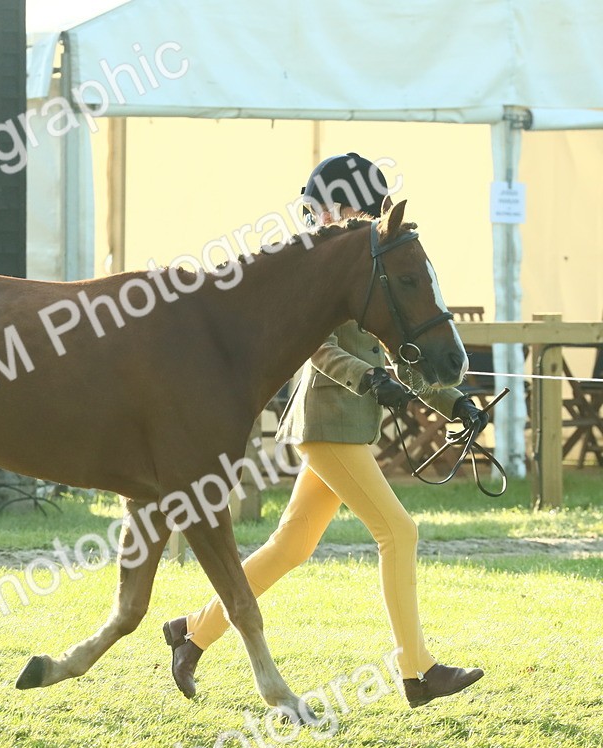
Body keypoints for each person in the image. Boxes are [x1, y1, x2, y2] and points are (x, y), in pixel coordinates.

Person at [162, 153, 488, 709]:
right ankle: (418, 671)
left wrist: (454, 398)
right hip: (327, 420)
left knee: (290, 546)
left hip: (347, 424)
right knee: (398, 532)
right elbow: (316, 348)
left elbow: (399, 346)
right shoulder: (314, 265)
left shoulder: (366, 259)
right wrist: (369, 379)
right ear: (341, 206)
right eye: (363, 205)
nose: (370, 216)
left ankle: (191, 634)